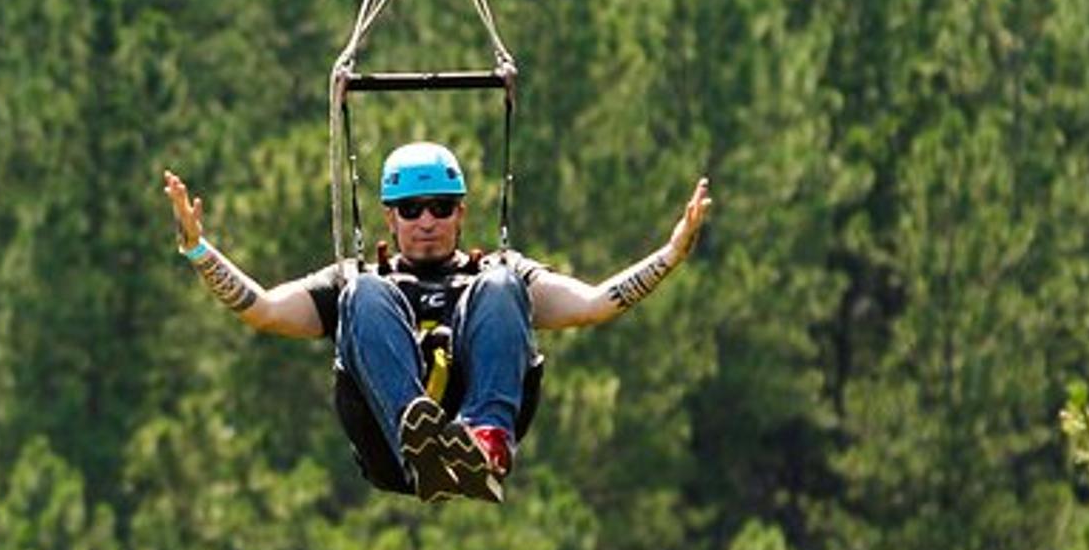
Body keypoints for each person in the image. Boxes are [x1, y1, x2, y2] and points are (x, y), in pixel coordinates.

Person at [162, 142, 711, 502]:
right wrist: (198, 250)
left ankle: (481, 441)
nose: (427, 221)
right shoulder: (355, 280)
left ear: (462, 214)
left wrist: (670, 255)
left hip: (478, 438)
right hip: (390, 449)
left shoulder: (500, 273)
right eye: (412, 209)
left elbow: (594, 304)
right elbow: (263, 310)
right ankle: (420, 442)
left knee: (499, 284)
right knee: (366, 290)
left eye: (442, 207)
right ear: (389, 217)